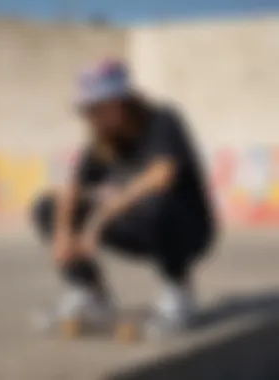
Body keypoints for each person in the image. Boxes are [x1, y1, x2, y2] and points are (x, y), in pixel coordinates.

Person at [32, 59, 215, 334]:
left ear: (120, 103)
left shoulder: (162, 121)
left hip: (188, 229)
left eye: (97, 108)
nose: (91, 117)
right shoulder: (102, 141)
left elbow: (161, 175)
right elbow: (72, 189)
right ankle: (90, 294)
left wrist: (97, 223)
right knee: (47, 206)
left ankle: (179, 295)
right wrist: (62, 232)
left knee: (157, 200)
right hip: (138, 226)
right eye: (86, 110)